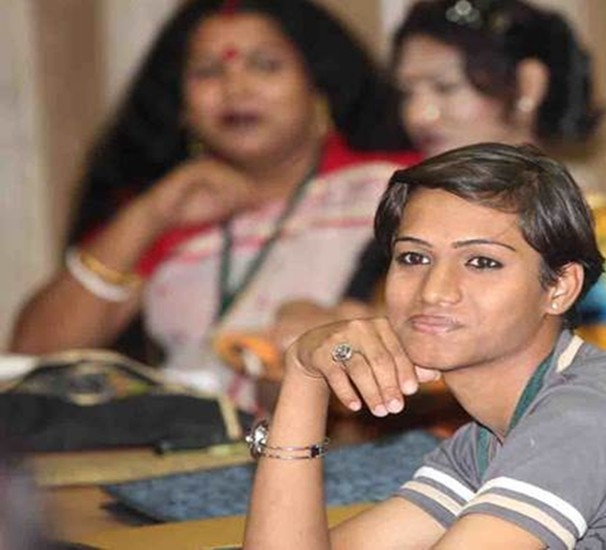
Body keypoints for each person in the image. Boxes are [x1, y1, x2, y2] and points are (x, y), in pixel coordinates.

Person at [243, 143, 606, 550]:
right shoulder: (493, 436)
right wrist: (304, 376)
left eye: (482, 262)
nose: (434, 290)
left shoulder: (585, 418)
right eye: (414, 257)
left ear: (559, 288)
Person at [10, 0, 416, 412]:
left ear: (319, 86)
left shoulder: (393, 189)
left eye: (265, 65)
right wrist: (150, 214)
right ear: (180, 106)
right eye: (207, 72)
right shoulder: (175, 212)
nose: (235, 88)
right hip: (184, 440)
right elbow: (33, 357)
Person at [269, 0, 606, 372]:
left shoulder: (599, 230)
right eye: (408, 93)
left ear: (528, 86)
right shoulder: (403, 227)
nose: (419, 114)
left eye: (445, 88)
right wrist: (320, 331)